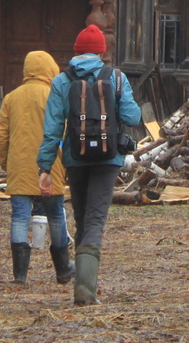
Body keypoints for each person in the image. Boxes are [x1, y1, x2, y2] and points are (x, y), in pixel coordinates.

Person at [38, 24, 142, 305]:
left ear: (76, 51)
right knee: (96, 219)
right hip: (108, 159)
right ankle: (86, 288)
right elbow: (132, 118)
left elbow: (52, 129)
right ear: (101, 52)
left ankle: (83, 284)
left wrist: (45, 168)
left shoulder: (62, 81)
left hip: (76, 158)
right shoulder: (117, 78)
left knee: (83, 218)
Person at [0, 50, 73, 285]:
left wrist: (8, 164)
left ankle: (20, 275)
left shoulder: (12, 97)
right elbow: (67, 132)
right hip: (51, 167)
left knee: (19, 217)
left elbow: (0, 137)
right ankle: (63, 269)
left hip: (19, 166)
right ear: (51, 69)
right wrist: (65, 165)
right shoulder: (57, 96)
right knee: (56, 216)